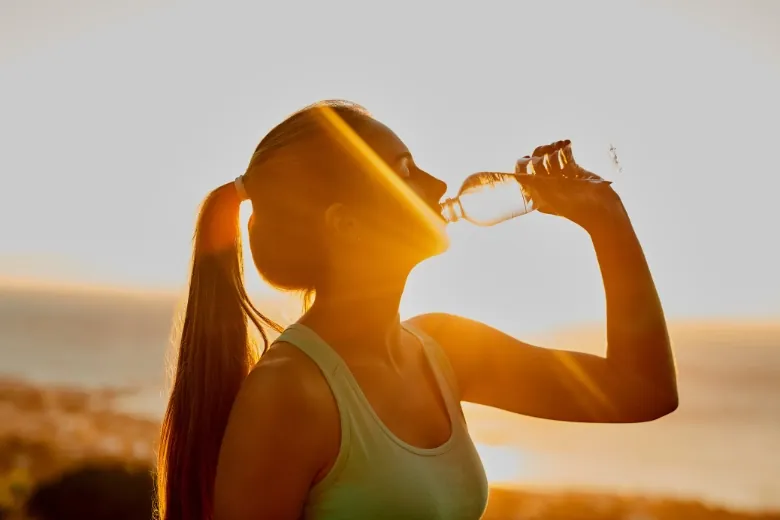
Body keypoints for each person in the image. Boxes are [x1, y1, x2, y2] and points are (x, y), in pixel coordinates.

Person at [155, 100, 678, 520]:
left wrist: (606, 220)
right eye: (405, 171)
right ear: (346, 224)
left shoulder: (443, 350)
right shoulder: (290, 394)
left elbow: (641, 390)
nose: (437, 185)